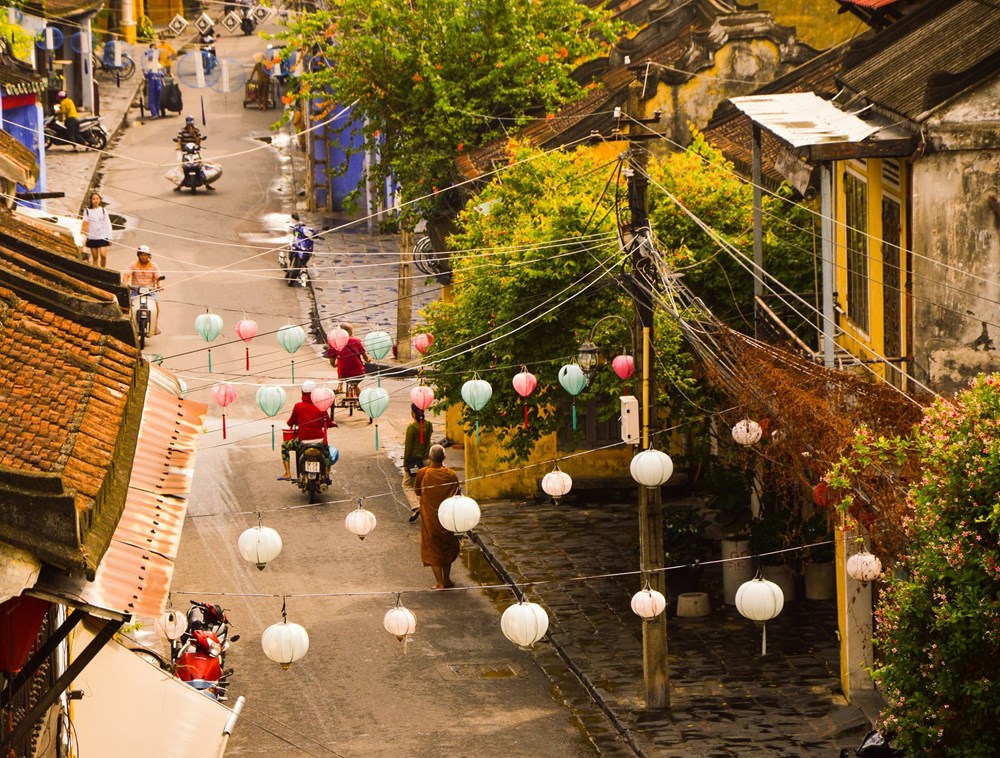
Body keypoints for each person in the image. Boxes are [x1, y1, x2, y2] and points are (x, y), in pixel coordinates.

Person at [414, 445, 461, 590]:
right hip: (447, 516)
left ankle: (440, 582)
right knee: (446, 546)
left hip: (430, 517)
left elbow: (417, 491)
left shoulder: (423, 473)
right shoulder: (451, 474)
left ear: (429, 458)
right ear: (444, 458)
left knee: (432, 547)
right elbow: (457, 494)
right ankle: (447, 579)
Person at [280, 380, 336, 480]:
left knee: (284, 446)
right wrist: (333, 425)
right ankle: (326, 473)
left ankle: (287, 473)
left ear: (302, 392)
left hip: (303, 442)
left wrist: (290, 423)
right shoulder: (321, 405)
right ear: (315, 394)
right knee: (327, 452)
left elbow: (290, 422)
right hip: (319, 441)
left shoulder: (298, 406)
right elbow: (328, 422)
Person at [124, 245, 163, 334]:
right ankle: (129, 324)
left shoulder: (154, 266)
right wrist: (125, 283)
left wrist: (159, 285)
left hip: (150, 290)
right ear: (138, 255)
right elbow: (126, 275)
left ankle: (155, 324)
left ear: (149, 256)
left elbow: (159, 277)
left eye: (146, 255)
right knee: (128, 306)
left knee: (156, 306)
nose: (143, 257)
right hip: (135, 290)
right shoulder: (133, 264)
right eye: (141, 255)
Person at [403, 403, 433, 519]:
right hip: (427, 460)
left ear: (413, 413)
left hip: (414, 462)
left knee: (406, 484)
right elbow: (428, 441)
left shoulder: (412, 428)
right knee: (419, 485)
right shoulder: (429, 425)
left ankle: (416, 506)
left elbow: (408, 448)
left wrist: (405, 464)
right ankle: (421, 507)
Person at [327, 323, 369, 398]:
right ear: (349, 332)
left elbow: (332, 362)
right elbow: (366, 357)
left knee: (341, 365)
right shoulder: (356, 340)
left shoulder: (334, 342)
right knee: (355, 384)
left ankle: (340, 386)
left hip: (344, 375)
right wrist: (369, 359)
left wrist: (335, 364)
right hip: (359, 373)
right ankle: (361, 401)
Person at [81, 191, 112, 267]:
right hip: (92, 237)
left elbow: (108, 223)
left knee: (103, 255)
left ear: (100, 200)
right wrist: (83, 238)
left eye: (97, 199)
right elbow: (85, 224)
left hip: (102, 236)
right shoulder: (87, 211)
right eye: (94, 199)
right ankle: (97, 271)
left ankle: (103, 269)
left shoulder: (103, 211)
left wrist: (110, 237)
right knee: (95, 257)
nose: (96, 200)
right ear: (91, 200)